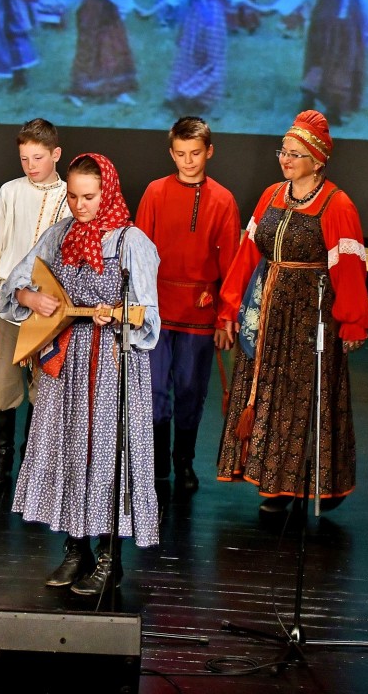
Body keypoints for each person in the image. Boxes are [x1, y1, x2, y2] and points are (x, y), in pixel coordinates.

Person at [0, 153, 161, 597]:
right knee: (68, 447)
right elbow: (15, 283)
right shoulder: (60, 234)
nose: (79, 205)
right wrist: (32, 299)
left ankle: (110, 557)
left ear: (108, 192)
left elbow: (149, 318)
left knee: (107, 452)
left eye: (88, 196)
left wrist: (119, 313)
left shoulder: (130, 243)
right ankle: (76, 549)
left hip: (112, 362)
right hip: (67, 357)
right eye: (72, 196)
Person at [216, 109, 368, 515]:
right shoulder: (271, 195)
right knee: (267, 395)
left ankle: (304, 484)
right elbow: (248, 255)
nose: (285, 159)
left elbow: (348, 269)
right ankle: (273, 481)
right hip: (266, 314)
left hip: (308, 319)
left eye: (295, 154)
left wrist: (353, 321)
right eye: (282, 151)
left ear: (317, 161)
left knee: (301, 399)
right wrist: (230, 307)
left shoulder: (337, 204)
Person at [134, 116, 240, 495]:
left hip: (200, 310)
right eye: (180, 154)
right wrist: (136, 306)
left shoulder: (223, 200)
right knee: (154, 391)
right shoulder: (155, 192)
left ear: (209, 151)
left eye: (195, 153)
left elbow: (231, 264)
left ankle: (184, 460)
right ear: (171, 153)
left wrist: (226, 317)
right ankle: (157, 461)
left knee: (191, 390)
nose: (188, 161)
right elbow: (138, 252)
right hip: (157, 310)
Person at [0, 118, 70, 487]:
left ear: (56, 154)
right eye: (24, 158)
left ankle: (34, 459)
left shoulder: (70, 197)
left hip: (49, 309)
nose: (31, 166)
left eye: (38, 158)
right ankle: (2, 455)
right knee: (1, 382)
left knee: (44, 385)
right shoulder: (11, 192)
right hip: (9, 305)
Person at [138, 0, 271, 114]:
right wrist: (260, 7)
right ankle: (197, 97)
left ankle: (179, 95)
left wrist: (150, 11)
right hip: (213, 16)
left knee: (189, 55)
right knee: (213, 58)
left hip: (193, 16)